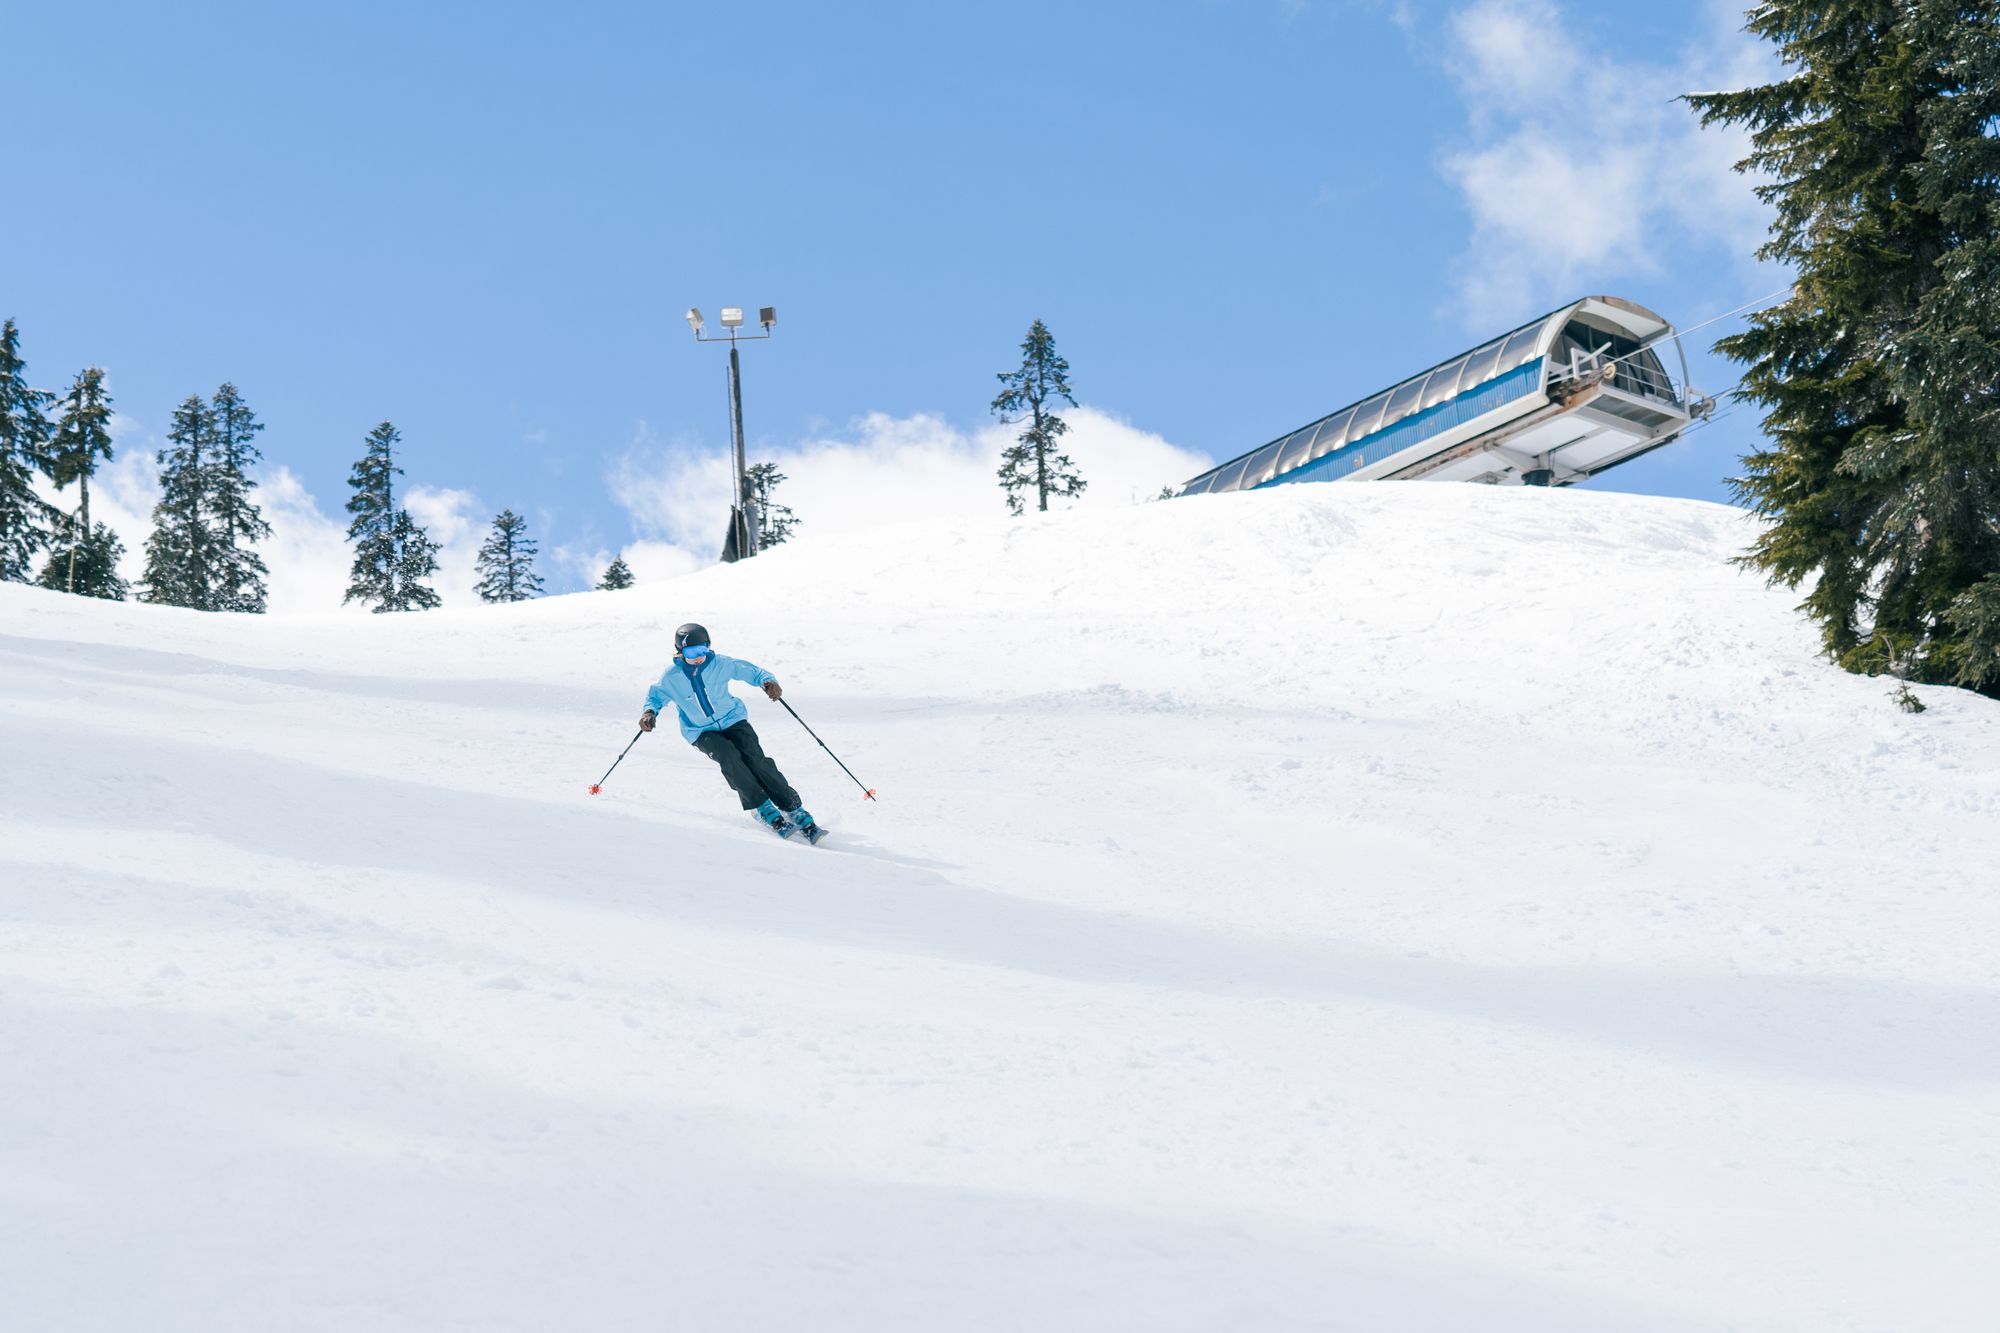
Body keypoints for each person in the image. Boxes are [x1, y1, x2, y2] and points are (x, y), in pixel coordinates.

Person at [640, 622, 820, 841]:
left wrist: (768, 682)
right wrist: (649, 712)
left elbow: (751, 671)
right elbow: (656, 695)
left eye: (703, 650)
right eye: (691, 652)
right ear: (680, 651)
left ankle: (793, 808)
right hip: (700, 730)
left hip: (732, 719)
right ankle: (762, 808)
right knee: (729, 756)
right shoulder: (671, 676)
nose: (698, 657)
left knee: (756, 759)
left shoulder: (721, 663)